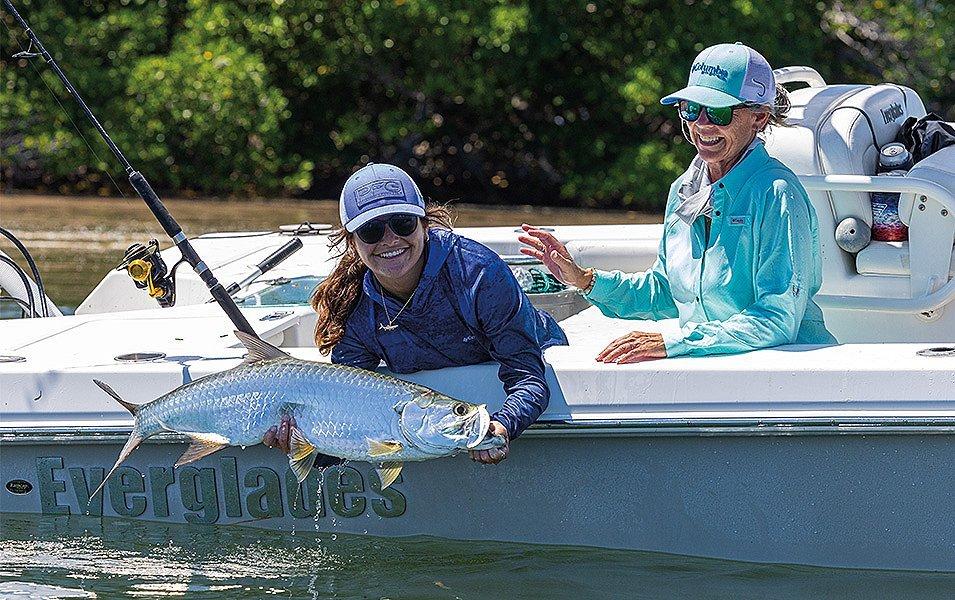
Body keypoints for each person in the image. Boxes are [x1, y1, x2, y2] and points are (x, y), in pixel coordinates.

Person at [521, 42, 835, 363]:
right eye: (691, 109)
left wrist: (674, 344)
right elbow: (664, 292)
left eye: (719, 112)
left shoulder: (778, 193)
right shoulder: (684, 190)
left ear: (759, 118)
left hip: (786, 376)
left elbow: (777, 318)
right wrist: (584, 279)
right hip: (713, 373)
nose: (702, 124)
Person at [264, 163, 567, 463]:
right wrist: (302, 442)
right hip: (432, 422)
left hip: (535, 360)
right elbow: (354, 423)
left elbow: (529, 378)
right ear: (352, 243)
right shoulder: (353, 309)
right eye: (371, 231)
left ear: (424, 224)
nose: (389, 239)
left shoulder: (480, 273)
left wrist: (503, 426)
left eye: (403, 223)